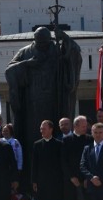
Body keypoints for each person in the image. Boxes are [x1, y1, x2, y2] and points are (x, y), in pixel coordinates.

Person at [5, 26, 82, 157]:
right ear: (34, 39)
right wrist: (26, 64)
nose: (42, 45)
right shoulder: (25, 52)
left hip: (54, 101)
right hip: (31, 104)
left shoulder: (57, 50)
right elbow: (9, 70)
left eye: (45, 43)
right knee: (32, 137)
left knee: (55, 136)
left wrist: (65, 38)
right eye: (39, 43)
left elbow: (75, 54)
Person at [61, 115, 94, 200]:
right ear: (76, 126)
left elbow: (91, 160)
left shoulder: (89, 139)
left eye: (86, 126)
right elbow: (63, 161)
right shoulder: (67, 140)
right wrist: (71, 176)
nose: (86, 128)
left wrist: (87, 177)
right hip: (71, 180)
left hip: (86, 179)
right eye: (83, 126)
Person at [31, 120, 63, 200]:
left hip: (55, 182)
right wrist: (34, 180)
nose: (41, 131)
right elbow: (34, 164)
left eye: (44, 129)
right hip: (42, 181)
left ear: (51, 129)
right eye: (41, 129)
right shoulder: (37, 144)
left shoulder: (59, 144)